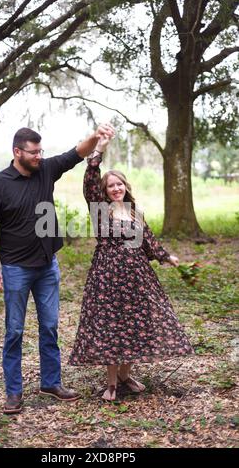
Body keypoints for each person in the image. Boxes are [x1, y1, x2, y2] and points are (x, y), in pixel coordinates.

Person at [0, 124, 115, 414]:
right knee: (14, 330)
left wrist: (96, 135)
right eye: (34, 152)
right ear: (17, 152)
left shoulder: (46, 170)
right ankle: (13, 393)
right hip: (15, 269)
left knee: (50, 327)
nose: (39, 156)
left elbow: (75, 154)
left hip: (47, 267)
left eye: (41, 151)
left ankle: (51, 382)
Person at [69, 136, 195, 401]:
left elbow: (148, 243)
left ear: (126, 187)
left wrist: (167, 257)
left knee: (138, 325)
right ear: (104, 191)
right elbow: (91, 179)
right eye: (111, 185)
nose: (116, 188)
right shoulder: (100, 210)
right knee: (111, 326)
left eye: (119, 184)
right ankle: (112, 383)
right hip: (108, 276)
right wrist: (99, 150)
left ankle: (126, 375)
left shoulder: (135, 212)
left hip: (138, 277)